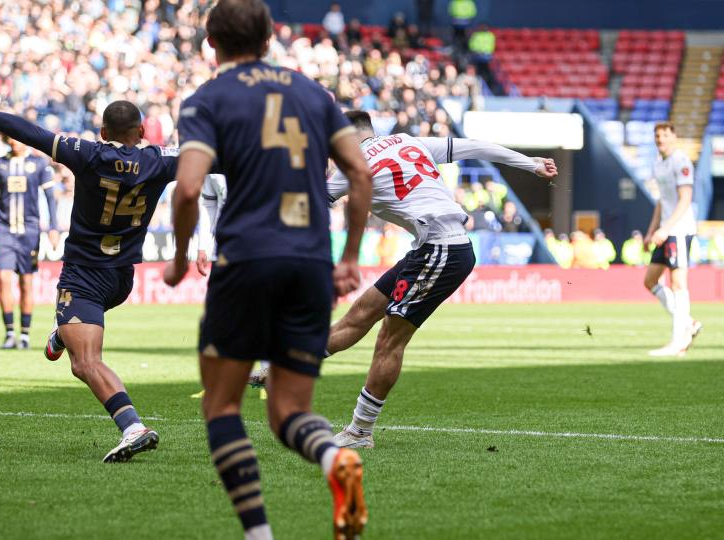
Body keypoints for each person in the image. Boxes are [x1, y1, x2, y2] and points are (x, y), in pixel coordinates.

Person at [162, 1, 374, 538]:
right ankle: (333, 459)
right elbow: (358, 173)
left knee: (222, 405)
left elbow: (188, 188)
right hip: (309, 264)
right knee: (288, 413)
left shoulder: (206, 99)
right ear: (269, 37)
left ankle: (259, 534)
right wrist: (348, 257)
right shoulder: (312, 94)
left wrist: (182, 256)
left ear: (210, 43)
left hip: (247, 259)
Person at [0, 94, 172, 463]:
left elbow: (27, 132)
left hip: (85, 278)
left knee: (84, 363)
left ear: (103, 131)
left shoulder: (88, 154)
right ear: (141, 131)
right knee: (77, 338)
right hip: (122, 279)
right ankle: (63, 332)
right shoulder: (162, 160)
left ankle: (133, 427)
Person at [325, 110, 557, 449]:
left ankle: (360, 431)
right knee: (359, 314)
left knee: (389, 338)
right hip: (432, 247)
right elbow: (476, 146)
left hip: (441, 249)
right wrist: (529, 163)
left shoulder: (351, 164)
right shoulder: (408, 141)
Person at [0, 137, 59, 349]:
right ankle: (9, 334)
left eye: (17, 138)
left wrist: (53, 227)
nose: (14, 142)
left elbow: (51, 197)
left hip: (30, 232)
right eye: (10, 138)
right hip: (4, 231)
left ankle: (24, 334)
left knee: (26, 283)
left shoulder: (39, 164)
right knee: (4, 280)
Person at [194, 173, 271, 389]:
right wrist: (203, 246)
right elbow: (209, 204)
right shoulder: (215, 153)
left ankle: (267, 370)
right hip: (225, 248)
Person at [644, 123, 702, 356]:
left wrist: (665, 229)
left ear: (674, 137)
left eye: (665, 135)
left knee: (678, 284)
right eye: (657, 136)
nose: (661, 139)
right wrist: (651, 230)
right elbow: (662, 201)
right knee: (650, 281)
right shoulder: (658, 163)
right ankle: (688, 323)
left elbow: (685, 199)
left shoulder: (681, 162)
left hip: (679, 230)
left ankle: (678, 341)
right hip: (665, 229)